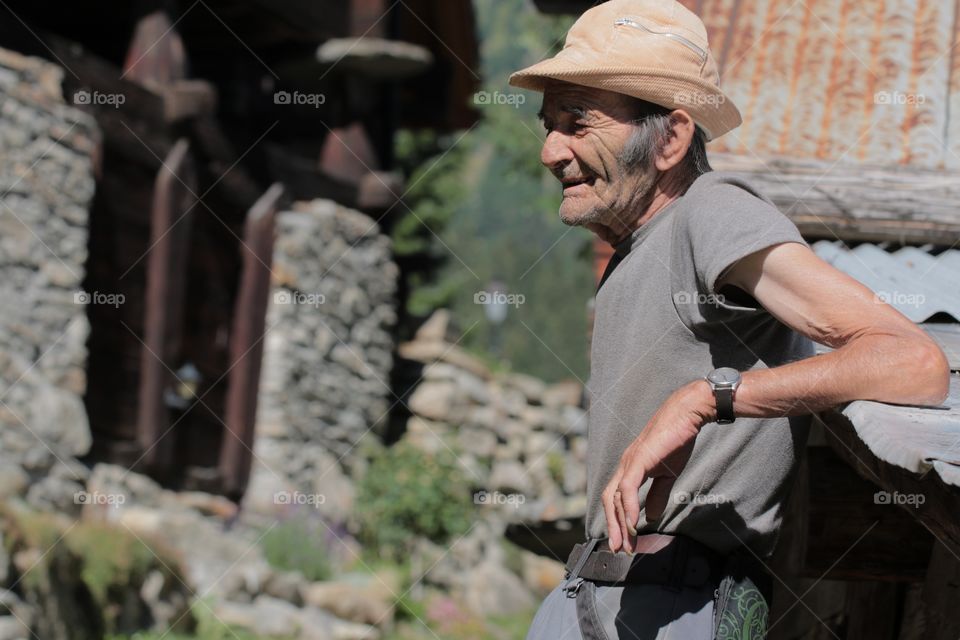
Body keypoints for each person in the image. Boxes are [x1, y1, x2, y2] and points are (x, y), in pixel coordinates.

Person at [508, 0, 951, 637]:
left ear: (671, 138)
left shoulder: (710, 213)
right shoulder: (639, 241)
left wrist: (702, 399)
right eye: (549, 124)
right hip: (598, 591)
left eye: (578, 123)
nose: (551, 150)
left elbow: (914, 361)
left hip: (674, 603)